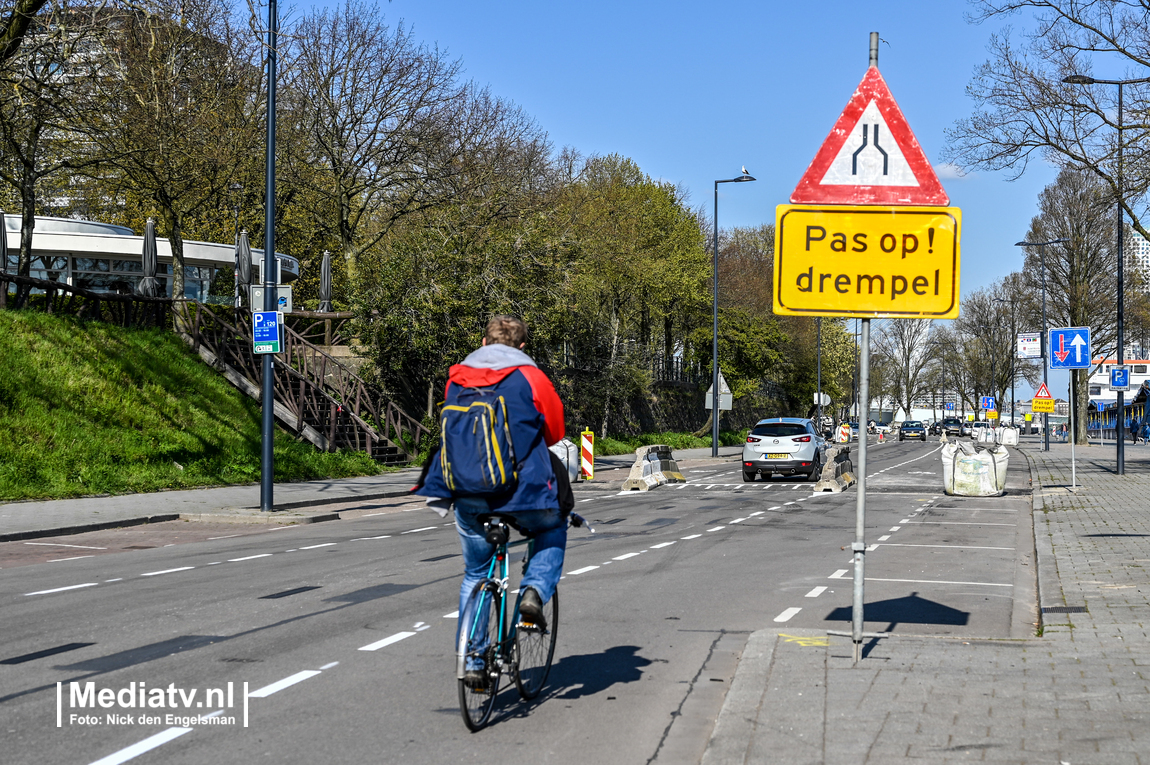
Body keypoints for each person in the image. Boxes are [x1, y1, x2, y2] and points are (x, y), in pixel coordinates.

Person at [416, 315, 566, 689]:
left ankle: (472, 661)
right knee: (553, 527)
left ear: (483, 342)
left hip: (468, 493)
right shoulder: (531, 377)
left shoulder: (457, 377)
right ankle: (532, 592)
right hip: (524, 492)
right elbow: (556, 431)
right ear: (522, 347)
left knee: (475, 575)